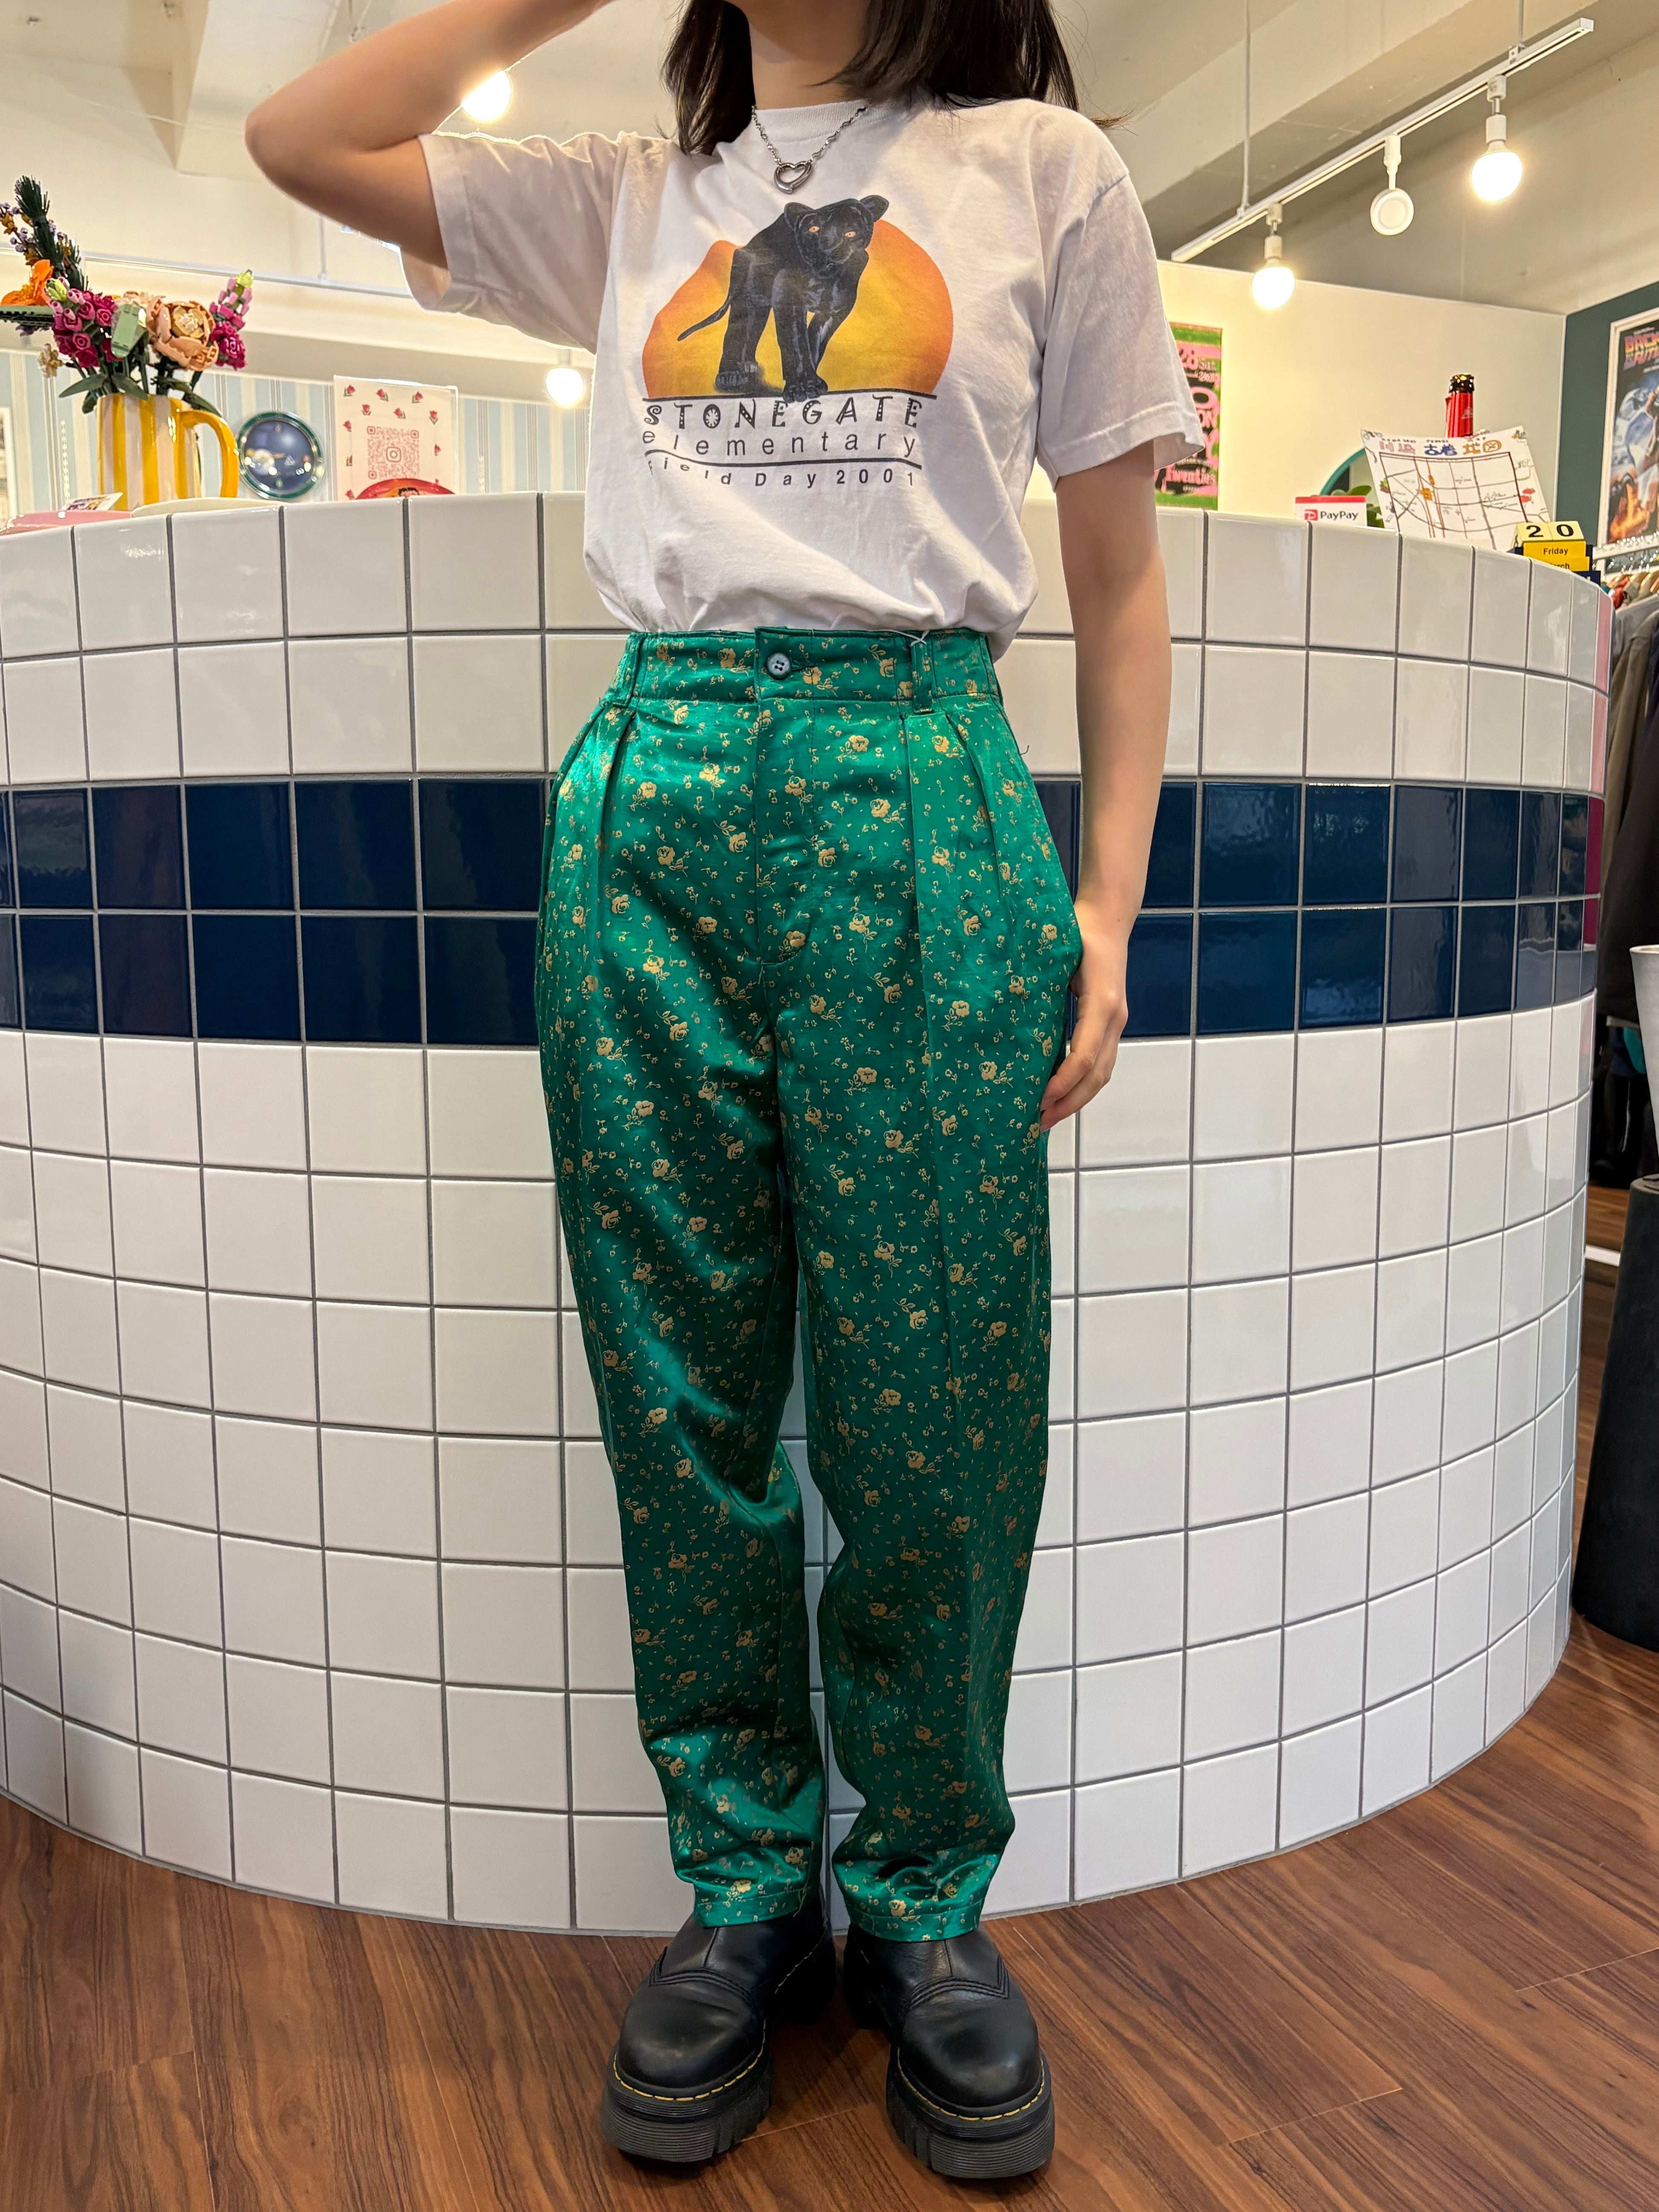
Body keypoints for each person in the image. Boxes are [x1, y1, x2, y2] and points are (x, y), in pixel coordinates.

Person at [248, 0, 1197, 2178]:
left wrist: (1109, 907)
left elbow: (1123, 578)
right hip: (655, 790)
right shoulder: (623, 197)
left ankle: (923, 1900)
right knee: (674, 1386)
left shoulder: (1042, 173)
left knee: (938, 1391)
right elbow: (303, 136)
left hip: (925, 780)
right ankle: (749, 1881)